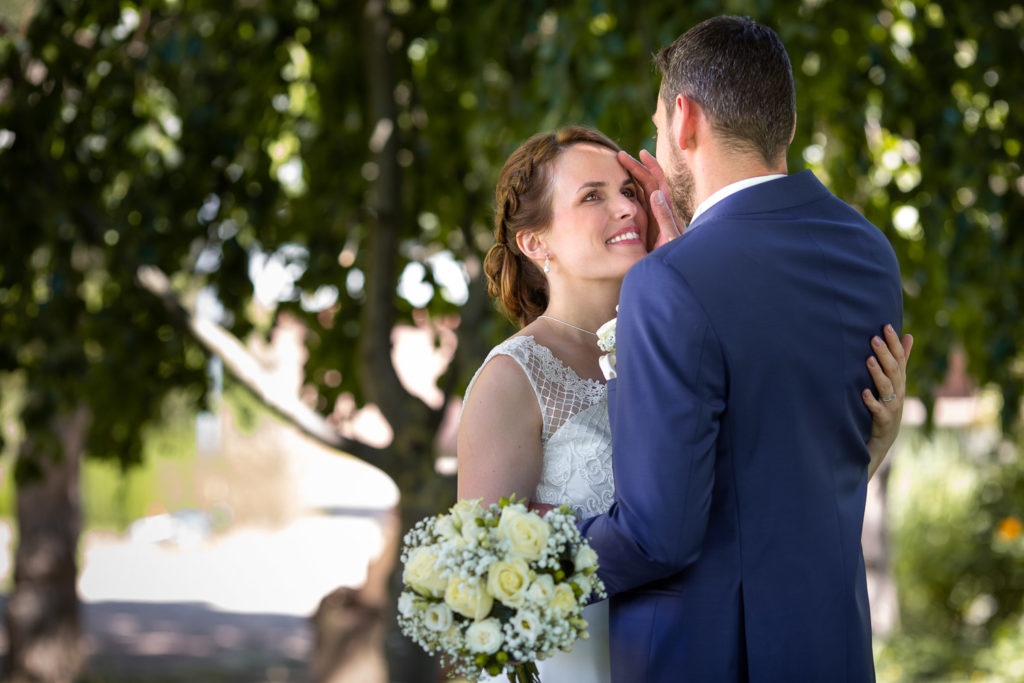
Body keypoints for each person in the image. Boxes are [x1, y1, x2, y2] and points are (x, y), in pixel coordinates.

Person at [457, 121, 909, 679]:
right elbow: (478, 579)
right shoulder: (513, 376)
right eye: (591, 196)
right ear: (535, 242)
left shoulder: (692, 334)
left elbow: (756, 502)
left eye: (628, 191)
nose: (625, 208)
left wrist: (871, 447)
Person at [575, 16, 910, 682]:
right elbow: (793, 457)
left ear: (684, 118)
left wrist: (530, 554)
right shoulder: (870, 253)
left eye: (656, 125)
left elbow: (658, 534)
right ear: (782, 125)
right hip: (834, 652)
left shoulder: (670, 283)